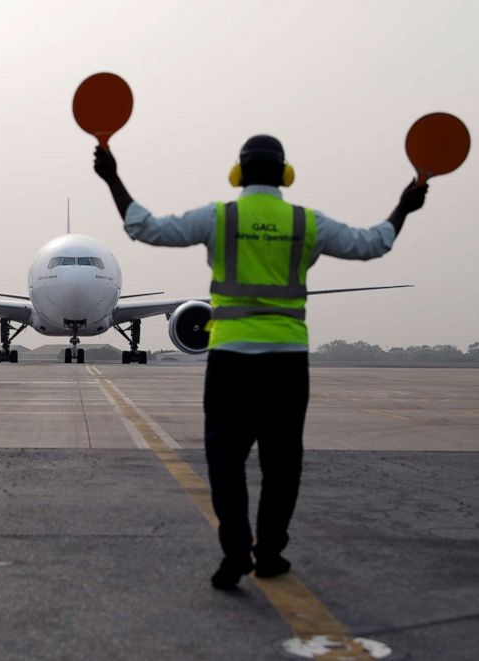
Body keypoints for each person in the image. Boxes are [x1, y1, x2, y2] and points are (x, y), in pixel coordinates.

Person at [93, 135, 427, 589]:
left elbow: (144, 228)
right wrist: (405, 206)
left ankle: (235, 552)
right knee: (282, 463)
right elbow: (373, 244)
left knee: (225, 462)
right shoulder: (305, 222)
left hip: (231, 360)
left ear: (238, 174)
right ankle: (269, 554)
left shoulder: (220, 218)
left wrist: (112, 177)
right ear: (285, 174)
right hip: (287, 363)